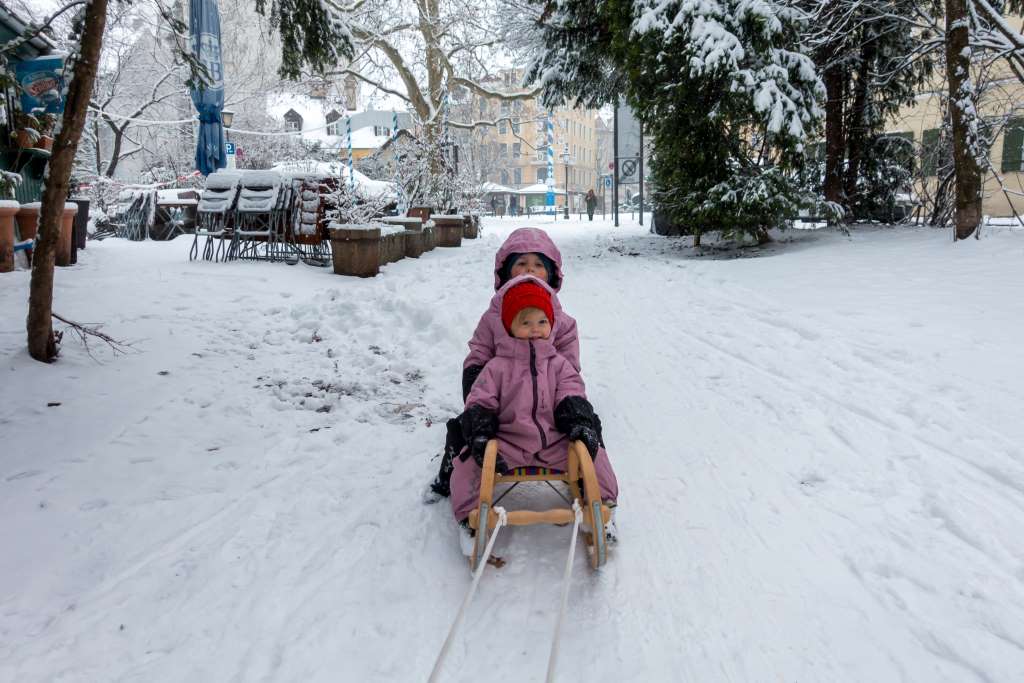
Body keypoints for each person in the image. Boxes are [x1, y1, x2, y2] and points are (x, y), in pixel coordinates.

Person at [450, 276, 618, 554]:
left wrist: (579, 422)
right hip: (508, 443)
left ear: (551, 325)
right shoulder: (496, 367)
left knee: (594, 454)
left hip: (553, 442)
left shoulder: (559, 364)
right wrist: (480, 432)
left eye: (542, 322)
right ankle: (469, 519)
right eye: (525, 322)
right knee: (467, 463)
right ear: (509, 327)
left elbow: (571, 393)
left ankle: (604, 508)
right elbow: (480, 399)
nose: (535, 329)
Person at [424, 228, 581, 502]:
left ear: (551, 273)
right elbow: (479, 352)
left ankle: (594, 490)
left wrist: (569, 404)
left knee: (587, 435)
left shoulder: (558, 316)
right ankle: (448, 479)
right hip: (502, 402)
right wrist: (478, 401)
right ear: (506, 271)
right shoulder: (494, 315)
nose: (529, 271)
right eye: (521, 264)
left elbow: (568, 360)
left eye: (538, 265)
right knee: (462, 432)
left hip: (547, 405)